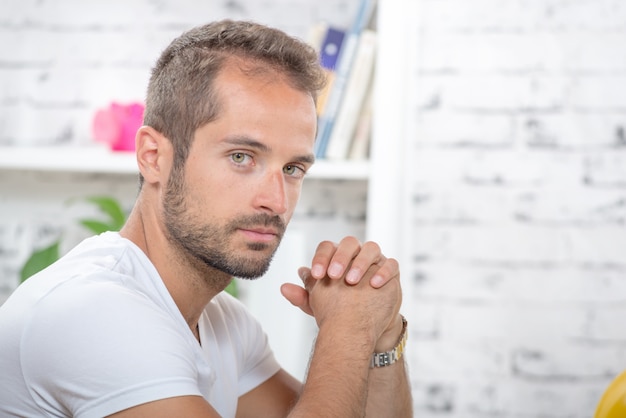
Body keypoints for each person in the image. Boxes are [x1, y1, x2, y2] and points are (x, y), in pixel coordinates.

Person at [0, 20, 411, 417]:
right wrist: (348, 329)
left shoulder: (225, 324)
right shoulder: (94, 310)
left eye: (292, 169)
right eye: (241, 157)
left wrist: (383, 335)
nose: (276, 200)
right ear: (153, 157)